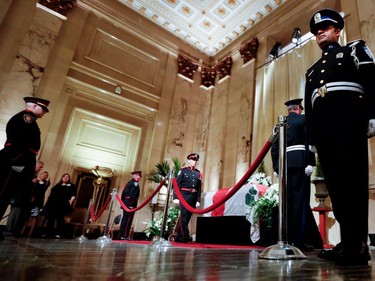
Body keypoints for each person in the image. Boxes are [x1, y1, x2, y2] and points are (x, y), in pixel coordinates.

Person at [305, 9, 375, 265]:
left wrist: (372, 115)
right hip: (324, 131)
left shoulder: (354, 50)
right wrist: (311, 138)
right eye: (316, 30)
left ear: (337, 31)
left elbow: (371, 79)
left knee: (353, 184)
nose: (320, 32)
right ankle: (347, 242)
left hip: (349, 122)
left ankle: (358, 245)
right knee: (336, 187)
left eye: (325, 27)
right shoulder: (311, 71)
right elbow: (310, 106)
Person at [271, 98, 323, 250]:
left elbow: (274, 147)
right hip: (301, 164)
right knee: (300, 202)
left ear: (289, 110)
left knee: (288, 203)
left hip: (286, 166)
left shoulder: (279, 124)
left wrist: (276, 167)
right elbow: (309, 141)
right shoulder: (304, 119)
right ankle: (299, 241)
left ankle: (287, 238)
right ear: (299, 108)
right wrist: (310, 163)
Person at [0, 97, 50, 240]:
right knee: (3, 193)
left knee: (6, 195)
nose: (44, 112)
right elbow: (17, 144)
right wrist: (19, 165)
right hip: (14, 164)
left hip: (18, 164)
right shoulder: (26, 119)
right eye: (43, 109)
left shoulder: (30, 120)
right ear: (34, 106)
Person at [5, 160, 45, 237]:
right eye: (40, 167)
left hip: (25, 199)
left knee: (18, 215)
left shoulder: (34, 174)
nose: (41, 169)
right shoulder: (26, 171)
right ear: (35, 165)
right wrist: (31, 182)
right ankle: (8, 230)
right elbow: (19, 182)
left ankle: (13, 231)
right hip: (19, 197)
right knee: (14, 214)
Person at [173, 153, 202, 243]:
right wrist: (176, 197)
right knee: (184, 217)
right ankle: (186, 236)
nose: (194, 162)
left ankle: (179, 237)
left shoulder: (198, 173)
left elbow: (199, 188)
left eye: (196, 160)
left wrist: (198, 200)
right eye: (193, 160)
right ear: (189, 161)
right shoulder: (183, 171)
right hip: (184, 197)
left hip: (193, 198)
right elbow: (177, 185)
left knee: (187, 217)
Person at [43, 173, 76, 238]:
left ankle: (59, 233)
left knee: (60, 219)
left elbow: (73, 195)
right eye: (64, 176)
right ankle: (48, 233)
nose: (65, 178)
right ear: (62, 177)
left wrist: (71, 201)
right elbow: (51, 195)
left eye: (67, 177)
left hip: (62, 205)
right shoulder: (57, 185)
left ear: (69, 179)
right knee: (50, 218)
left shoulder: (72, 186)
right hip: (53, 204)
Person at [22, 170, 50, 237]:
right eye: (43, 174)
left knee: (34, 216)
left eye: (46, 175)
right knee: (27, 216)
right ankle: (22, 232)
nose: (44, 176)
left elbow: (46, 186)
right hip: (30, 201)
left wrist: (48, 181)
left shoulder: (46, 183)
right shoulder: (35, 181)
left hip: (38, 202)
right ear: (40, 175)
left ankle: (30, 234)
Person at [118, 171, 141, 240]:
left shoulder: (129, 182)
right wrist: (131, 204)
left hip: (126, 203)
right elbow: (133, 195)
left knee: (125, 219)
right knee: (128, 220)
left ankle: (121, 235)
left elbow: (123, 194)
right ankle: (124, 235)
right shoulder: (134, 183)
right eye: (138, 175)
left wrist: (124, 203)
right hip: (130, 204)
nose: (139, 177)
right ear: (135, 176)